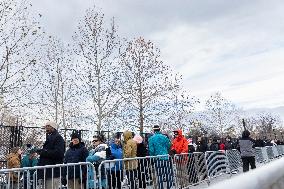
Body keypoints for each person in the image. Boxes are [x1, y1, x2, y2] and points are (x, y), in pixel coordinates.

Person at [37, 121, 65, 189]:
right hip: (48, 171)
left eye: (48, 126)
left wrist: (43, 152)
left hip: (53, 172)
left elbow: (59, 153)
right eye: (46, 127)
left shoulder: (58, 138)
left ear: (53, 127)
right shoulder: (51, 137)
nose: (46, 128)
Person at [148, 125, 173, 189]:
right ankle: (168, 187)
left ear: (154, 130)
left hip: (158, 158)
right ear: (159, 130)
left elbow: (151, 150)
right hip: (166, 157)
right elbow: (169, 146)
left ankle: (161, 187)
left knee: (160, 174)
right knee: (167, 173)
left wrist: (152, 158)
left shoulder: (151, 138)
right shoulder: (165, 137)